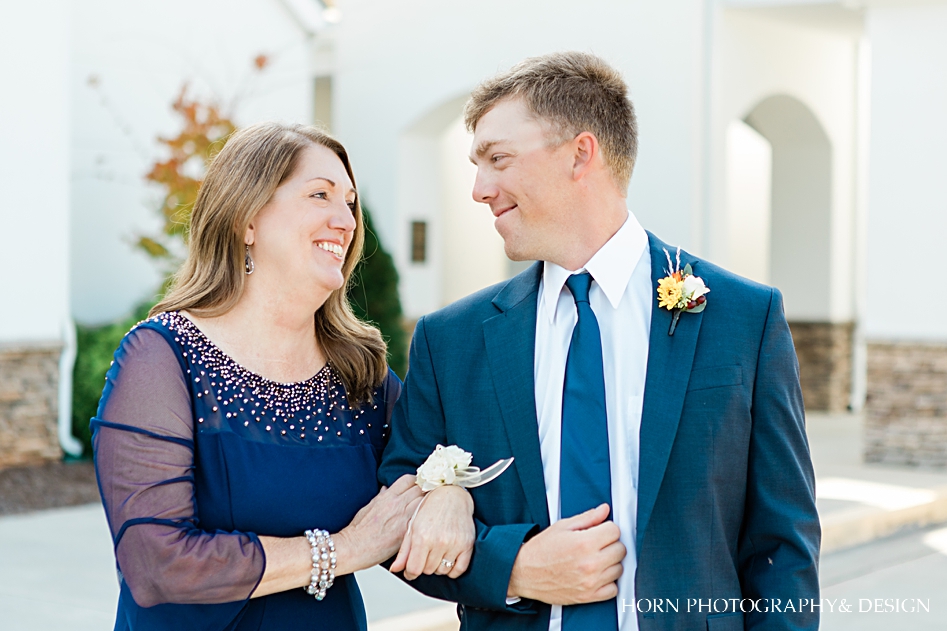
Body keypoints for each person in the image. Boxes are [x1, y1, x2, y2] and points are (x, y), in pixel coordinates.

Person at [379, 52, 821, 630]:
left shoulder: (743, 318)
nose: (479, 189)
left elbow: (782, 544)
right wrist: (513, 568)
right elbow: (397, 522)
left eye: (498, 159)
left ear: (580, 154)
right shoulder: (451, 340)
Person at [92, 122, 427, 631]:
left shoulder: (365, 376)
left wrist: (447, 497)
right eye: (321, 195)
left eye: (351, 202)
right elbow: (155, 565)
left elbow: (432, 484)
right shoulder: (161, 357)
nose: (347, 219)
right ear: (247, 218)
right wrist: (342, 551)